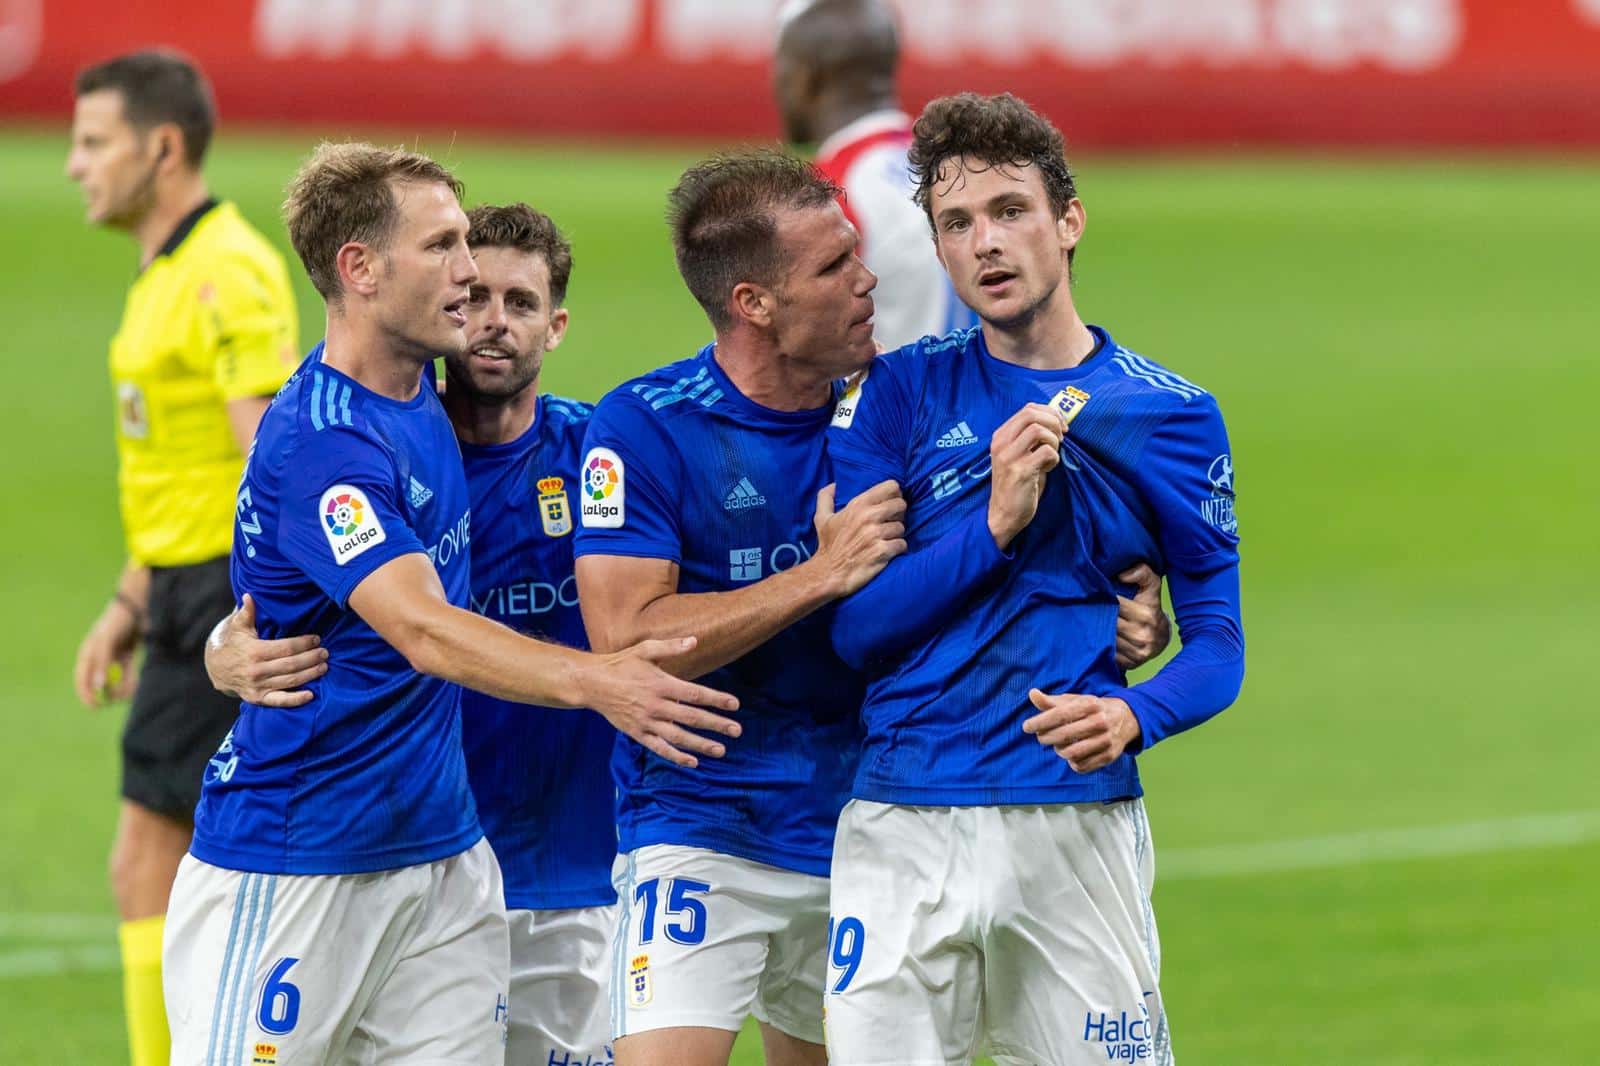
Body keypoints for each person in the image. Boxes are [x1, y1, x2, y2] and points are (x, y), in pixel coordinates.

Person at [162, 143, 738, 1065]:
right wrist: (603, 683)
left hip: (445, 863)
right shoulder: (324, 443)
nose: (470, 278)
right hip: (300, 859)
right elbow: (424, 627)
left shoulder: (423, 400)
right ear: (360, 269)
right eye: (443, 248)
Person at [822, 93, 1245, 1066]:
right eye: (956, 224)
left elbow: (1217, 639)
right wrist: (997, 523)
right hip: (901, 826)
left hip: (1074, 827)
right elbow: (855, 630)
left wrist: (1137, 716)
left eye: (1009, 210)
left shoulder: (1171, 415)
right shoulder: (896, 391)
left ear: (1068, 219)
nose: (985, 243)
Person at [204, 202, 620, 1065]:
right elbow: (284, 584)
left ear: (558, 325)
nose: (493, 322)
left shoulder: (601, 457)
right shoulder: (384, 443)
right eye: (476, 297)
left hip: (563, 872)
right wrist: (223, 648)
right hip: (398, 859)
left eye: (522, 302)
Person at [572, 150, 906, 1066]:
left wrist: (1120, 609)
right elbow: (627, 639)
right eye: (834, 267)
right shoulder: (644, 426)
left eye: (857, 254)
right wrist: (818, 573)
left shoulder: (898, 408)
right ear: (754, 302)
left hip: (874, 828)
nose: (868, 281)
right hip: (701, 826)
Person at [64, 49, 298, 1066]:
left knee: (152, 861)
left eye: (93, 142)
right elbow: (182, 460)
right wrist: (129, 594)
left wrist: (241, 599)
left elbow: (271, 453)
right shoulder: (168, 269)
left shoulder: (225, 271)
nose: (74, 164)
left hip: (219, 589)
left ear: (162, 147)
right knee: (172, 862)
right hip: (177, 583)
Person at [773, 0, 976, 349]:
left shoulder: (827, 193)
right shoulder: (958, 166)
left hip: (896, 402)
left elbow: (794, 360)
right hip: (996, 397)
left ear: (806, 76)